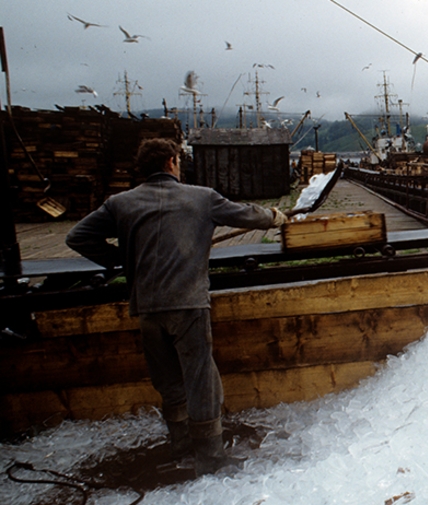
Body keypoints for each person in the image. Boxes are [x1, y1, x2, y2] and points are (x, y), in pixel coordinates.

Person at [66, 138, 287, 476]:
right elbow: (245, 214)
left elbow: (77, 237)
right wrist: (274, 216)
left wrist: (126, 263)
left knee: (168, 380)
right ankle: (210, 455)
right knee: (201, 377)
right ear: (171, 162)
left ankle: (180, 446)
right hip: (187, 304)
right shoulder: (201, 197)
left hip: (147, 308)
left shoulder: (120, 203)